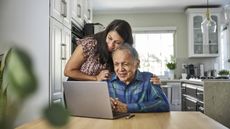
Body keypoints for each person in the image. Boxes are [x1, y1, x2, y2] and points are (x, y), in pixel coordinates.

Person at [64, 19, 160, 83]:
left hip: (99, 94)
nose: (110, 45)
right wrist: (95, 78)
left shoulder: (122, 52)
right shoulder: (90, 43)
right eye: (109, 38)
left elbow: (130, 69)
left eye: (117, 42)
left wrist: (150, 79)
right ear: (106, 32)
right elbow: (68, 71)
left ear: (125, 44)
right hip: (76, 90)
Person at [108, 44, 169, 113]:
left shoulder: (149, 79)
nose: (120, 69)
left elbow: (163, 104)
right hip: (115, 123)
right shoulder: (108, 81)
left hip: (142, 123)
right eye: (116, 64)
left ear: (137, 64)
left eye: (125, 64)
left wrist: (128, 108)